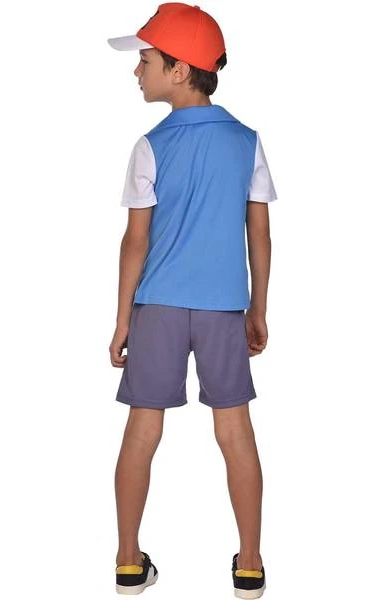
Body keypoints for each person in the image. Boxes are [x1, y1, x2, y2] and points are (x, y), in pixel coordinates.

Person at [107, 3, 277, 597]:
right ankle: (249, 564)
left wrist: (122, 320)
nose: (137, 71)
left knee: (141, 432)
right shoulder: (247, 142)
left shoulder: (150, 146)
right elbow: (259, 232)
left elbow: (136, 241)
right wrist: (258, 308)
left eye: (146, 61)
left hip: (156, 307)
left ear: (180, 70)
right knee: (235, 433)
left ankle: (128, 561)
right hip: (224, 307)